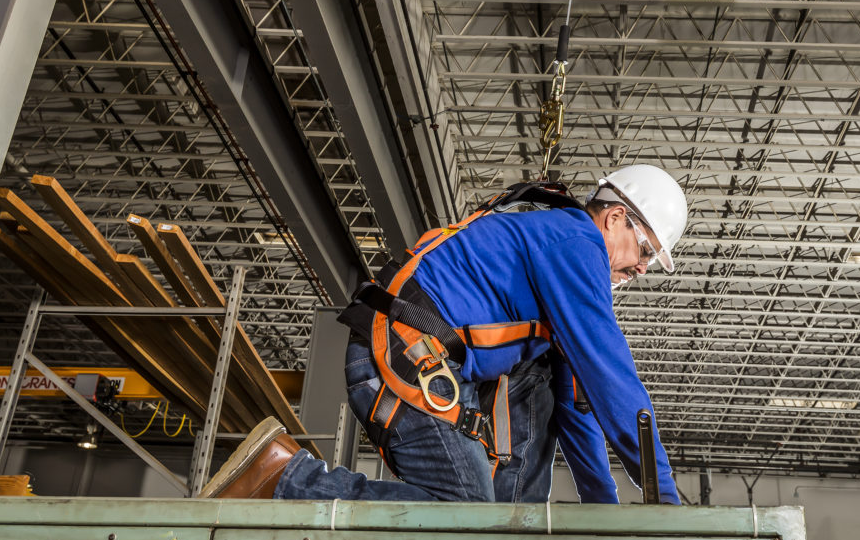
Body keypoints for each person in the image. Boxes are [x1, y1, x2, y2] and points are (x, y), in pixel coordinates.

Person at [200, 165, 688, 505]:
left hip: (420, 356)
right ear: (615, 217)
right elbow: (613, 379)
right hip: (404, 352)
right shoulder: (577, 243)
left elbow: (579, 410)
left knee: (487, 515)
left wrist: (609, 521)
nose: (642, 268)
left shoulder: (562, 281)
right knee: (465, 513)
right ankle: (285, 478)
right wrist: (663, 498)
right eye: (645, 250)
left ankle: (506, 530)